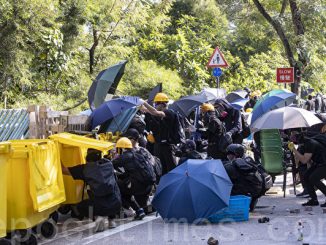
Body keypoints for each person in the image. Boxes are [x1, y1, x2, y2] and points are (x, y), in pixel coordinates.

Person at [62, 148, 122, 232]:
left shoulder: (85, 169)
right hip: (116, 203)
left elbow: (63, 170)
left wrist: (57, 156)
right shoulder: (109, 164)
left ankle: (98, 216)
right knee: (110, 192)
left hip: (101, 207)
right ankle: (112, 220)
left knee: (80, 206)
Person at [112, 137, 155, 220]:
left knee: (118, 186)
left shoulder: (125, 156)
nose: (117, 151)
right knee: (126, 185)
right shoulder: (138, 154)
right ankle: (141, 209)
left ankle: (137, 210)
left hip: (138, 186)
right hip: (148, 185)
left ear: (122, 148)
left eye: (118, 149)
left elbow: (111, 164)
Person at [142, 93, 181, 174]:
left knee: (171, 169)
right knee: (159, 168)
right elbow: (150, 111)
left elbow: (155, 112)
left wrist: (143, 103)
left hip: (168, 147)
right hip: (159, 145)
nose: (155, 105)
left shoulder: (169, 112)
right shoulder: (161, 114)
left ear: (163, 104)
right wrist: (141, 106)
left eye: (156, 103)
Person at [223, 144, 264, 211]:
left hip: (245, 189)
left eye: (229, 154)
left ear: (234, 154)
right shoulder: (248, 160)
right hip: (256, 188)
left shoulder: (231, 166)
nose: (228, 155)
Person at [289, 132, 326, 206]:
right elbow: (305, 161)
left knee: (313, 178)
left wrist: (293, 149)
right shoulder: (306, 143)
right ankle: (314, 200)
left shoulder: (309, 144)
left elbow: (304, 160)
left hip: (324, 164)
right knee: (306, 176)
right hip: (318, 163)